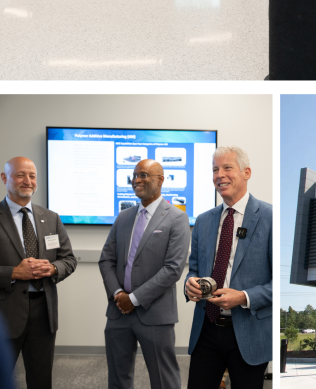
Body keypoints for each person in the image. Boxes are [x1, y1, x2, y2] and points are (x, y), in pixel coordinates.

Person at [184, 147, 273, 389]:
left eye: (227, 168)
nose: (219, 175)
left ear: (246, 172)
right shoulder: (203, 221)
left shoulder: (270, 217)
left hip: (249, 332)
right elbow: (193, 269)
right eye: (215, 169)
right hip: (206, 329)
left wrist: (243, 297)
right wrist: (189, 285)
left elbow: (279, 284)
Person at [99, 159, 190, 389]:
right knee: (118, 380)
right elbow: (106, 259)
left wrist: (135, 299)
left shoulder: (177, 218)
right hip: (118, 313)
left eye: (144, 175)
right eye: (134, 175)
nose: (137, 180)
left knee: (164, 380)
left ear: (160, 180)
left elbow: (173, 268)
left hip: (155, 315)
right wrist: (119, 294)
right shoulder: (123, 217)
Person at [0, 156, 77, 389]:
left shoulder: (51, 218)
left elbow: (68, 259)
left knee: (41, 380)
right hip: (4, 313)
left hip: (43, 312)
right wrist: (13, 273)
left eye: (32, 176)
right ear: (4, 178)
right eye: (20, 175)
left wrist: (53, 268)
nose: (27, 181)